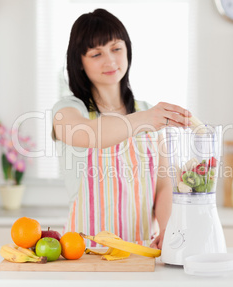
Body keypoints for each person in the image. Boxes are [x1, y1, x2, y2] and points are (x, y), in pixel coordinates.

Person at [52, 8, 191, 249]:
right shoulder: (69, 110)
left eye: (116, 48)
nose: (111, 60)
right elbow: (87, 133)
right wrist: (145, 119)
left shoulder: (147, 111)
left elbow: (163, 185)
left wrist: (168, 228)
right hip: (84, 252)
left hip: (143, 250)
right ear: (80, 62)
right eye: (96, 54)